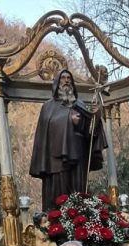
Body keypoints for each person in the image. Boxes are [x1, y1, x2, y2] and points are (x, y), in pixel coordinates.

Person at [29, 68, 107, 210]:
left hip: (78, 157)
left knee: (78, 195)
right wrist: (68, 119)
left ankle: (79, 219)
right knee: (58, 197)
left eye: (69, 78)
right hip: (56, 161)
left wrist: (95, 118)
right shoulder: (48, 107)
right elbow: (47, 128)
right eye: (63, 78)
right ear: (57, 83)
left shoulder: (80, 104)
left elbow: (89, 133)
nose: (66, 81)